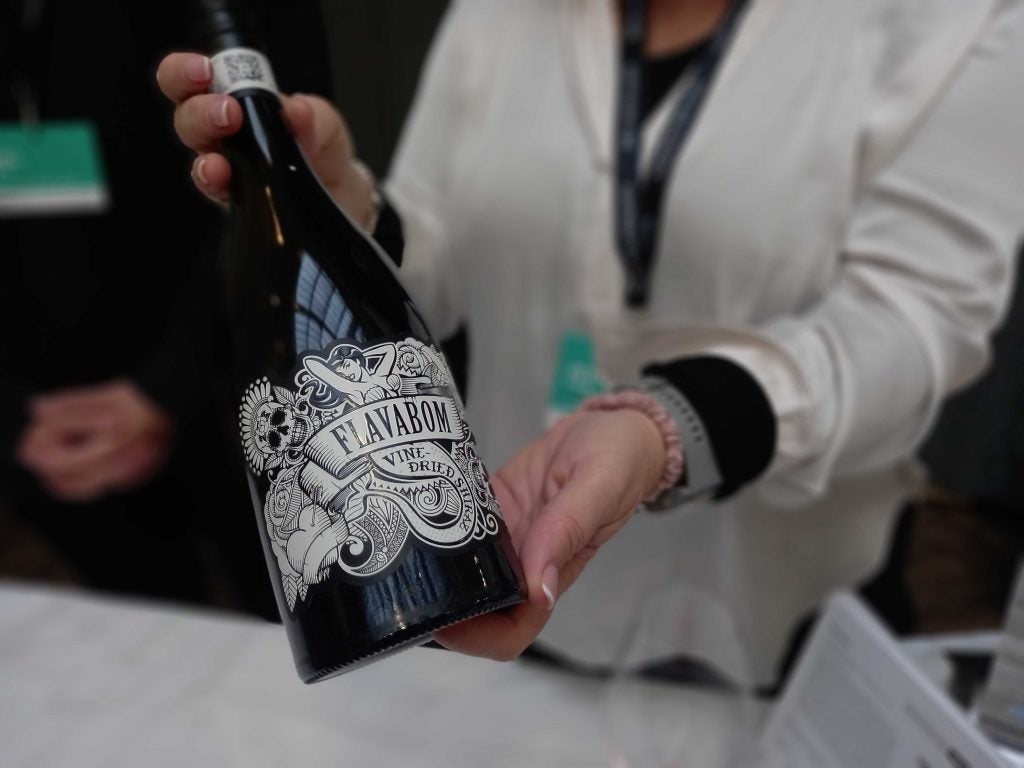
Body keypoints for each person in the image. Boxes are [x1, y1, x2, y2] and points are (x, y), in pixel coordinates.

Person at [158, 0, 1024, 688]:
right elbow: (443, 267)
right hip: (514, 560)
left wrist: (666, 427)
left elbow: (913, 321)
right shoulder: (498, 17)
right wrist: (352, 205)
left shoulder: (950, 21)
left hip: (775, 602)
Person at [0, 0, 329, 618]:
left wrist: (166, 387)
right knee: (133, 645)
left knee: (298, 613)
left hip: (235, 377)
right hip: (51, 416)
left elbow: (292, 161)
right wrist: (13, 413)